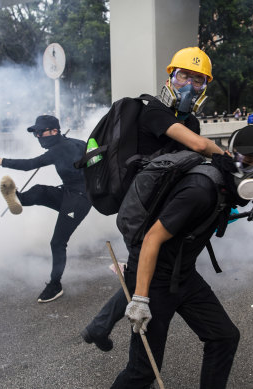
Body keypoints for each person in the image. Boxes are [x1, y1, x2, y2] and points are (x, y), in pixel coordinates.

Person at [110, 124, 253, 388]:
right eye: (247, 162)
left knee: (223, 337)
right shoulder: (201, 189)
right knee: (143, 371)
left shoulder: (225, 187)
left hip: (183, 275)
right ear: (231, 157)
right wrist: (141, 299)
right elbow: (152, 238)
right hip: (155, 280)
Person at [82, 46, 224, 351]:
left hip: (164, 208)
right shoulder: (154, 111)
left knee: (140, 273)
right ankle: (135, 359)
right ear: (171, 76)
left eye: (198, 80)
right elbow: (199, 146)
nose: (189, 85)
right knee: (145, 276)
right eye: (184, 75)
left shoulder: (192, 122)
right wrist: (233, 160)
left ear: (204, 87)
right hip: (141, 210)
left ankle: (99, 328)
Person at [0, 115, 92, 303]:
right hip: (68, 194)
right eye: (35, 134)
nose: (37, 136)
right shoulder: (75, 142)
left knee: (57, 242)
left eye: (39, 132)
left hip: (79, 200)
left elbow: (30, 165)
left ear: (54, 131)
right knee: (39, 190)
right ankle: (18, 199)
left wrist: (1, 161)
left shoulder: (60, 149)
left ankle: (55, 284)